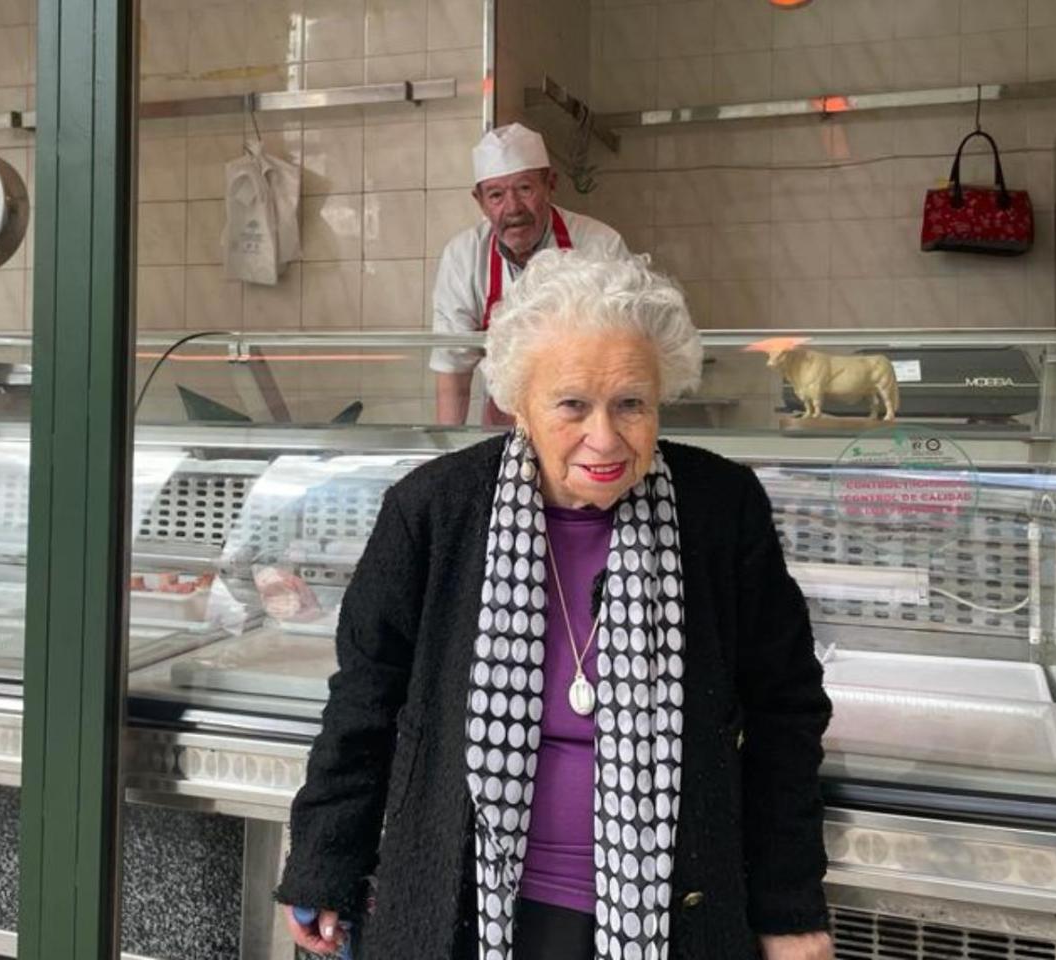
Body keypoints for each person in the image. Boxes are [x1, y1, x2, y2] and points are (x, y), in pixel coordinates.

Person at [277, 250, 835, 960]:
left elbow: (785, 710)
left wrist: (788, 906)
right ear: (520, 403)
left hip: (671, 918)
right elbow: (366, 696)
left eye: (631, 404)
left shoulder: (721, 510)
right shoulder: (434, 511)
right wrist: (324, 858)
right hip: (462, 907)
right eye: (572, 405)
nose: (604, 437)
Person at [430, 124, 632, 426]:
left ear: (550, 184)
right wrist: (448, 448)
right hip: (503, 422)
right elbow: (453, 366)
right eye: (496, 195)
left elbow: (625, 353)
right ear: (479, 201)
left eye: (525, 189)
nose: (513, 208)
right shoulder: (463, 256)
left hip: (586, 420)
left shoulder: (601, 246)